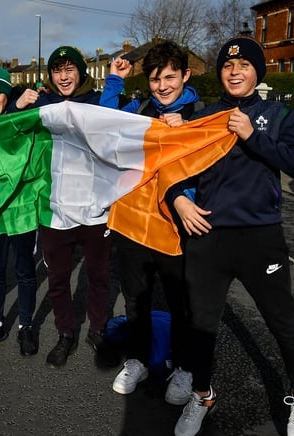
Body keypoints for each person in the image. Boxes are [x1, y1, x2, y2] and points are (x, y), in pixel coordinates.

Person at [166, 37, 294, 436]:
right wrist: (178, 198)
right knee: (201, 323)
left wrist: (253, 135)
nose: (235, 72)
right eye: (228, 67)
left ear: (257, 73)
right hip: (207, 238)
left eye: (245, 66)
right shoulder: (201, 115)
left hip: (260, 239)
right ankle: (202, 396)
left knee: (282, 319)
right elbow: (172, 168)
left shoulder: (277, 115)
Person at [99, 40, 200, 400]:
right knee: (136, 298)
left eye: (170, 77)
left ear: (185, 75)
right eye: (156, 79)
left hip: (176, 225)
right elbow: (104, 123)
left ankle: (186, 368)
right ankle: (139, 359)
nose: (163, 86)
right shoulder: (141, 109)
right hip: (134, 222)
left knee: (181, 301)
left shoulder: (202, 113)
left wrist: (187, 127)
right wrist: (114, 81)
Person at [11, 45, 117, 369]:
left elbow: (119, 126)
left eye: (70, 69)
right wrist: (17, 106)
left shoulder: (97, 102)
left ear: (81, 72)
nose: (64, 75)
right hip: (55, 209)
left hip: (95, 208)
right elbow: (13, 136)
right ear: (51, 75)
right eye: (58, 70)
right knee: (58, 279)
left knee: (99, 276)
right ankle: (65, 333)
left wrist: (114, 83)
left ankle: (97, 329)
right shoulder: (44, 104)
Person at [0, 66, 39, 355]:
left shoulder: (23, 117)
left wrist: (16, 106)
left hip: (22, 208)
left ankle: (26, 326)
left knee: (25, 270)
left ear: (7, 92)